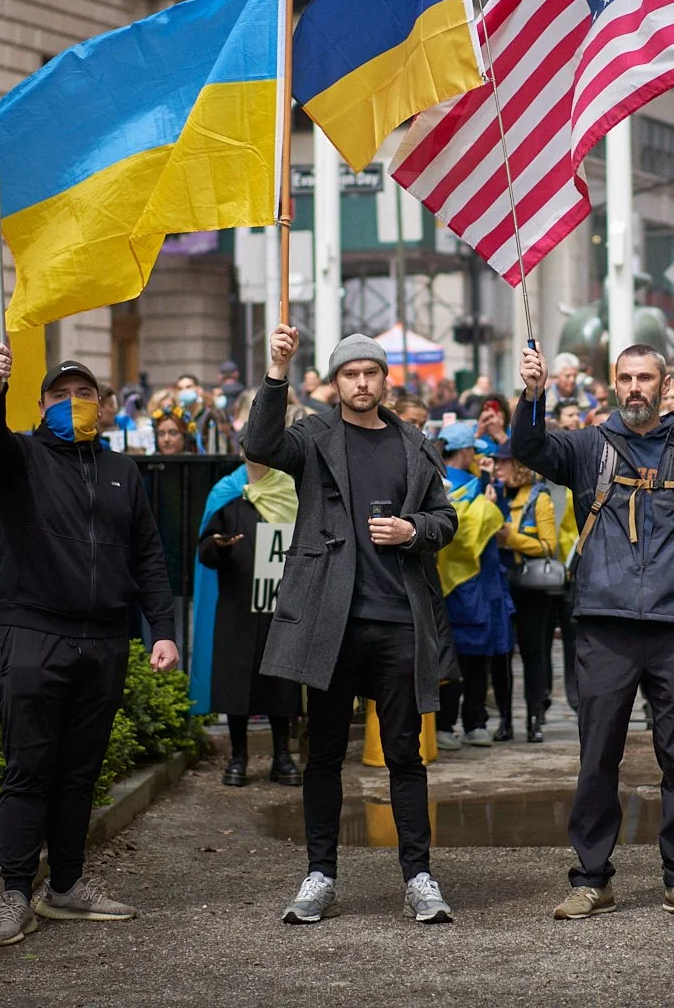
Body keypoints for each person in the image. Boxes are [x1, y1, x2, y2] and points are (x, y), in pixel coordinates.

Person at [245, 326, 460, 926]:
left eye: (370, 373)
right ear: (335, 382)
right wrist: (277, 372)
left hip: (399, 620)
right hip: (329, 620)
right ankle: (320, 875)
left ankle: (418, 876)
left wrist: (413, 530)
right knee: (323, 753)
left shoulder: (413, 441)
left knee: (405, 754)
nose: (361, 383)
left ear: (385, 380)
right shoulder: (313, 437)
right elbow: (258, 443)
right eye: (350, 374)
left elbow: (446, 519)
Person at [515, 342, 674, 921]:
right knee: (597, 759)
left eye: (645, 377)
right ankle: (592, 878)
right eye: (626, 378)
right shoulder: (588, 447)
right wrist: (533, 396)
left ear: (664, 386)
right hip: (605, 627)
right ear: (614, 385)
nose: (636, 387)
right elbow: (528, 448)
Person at [0, 347, 182, 948]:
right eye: (61, 396)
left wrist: (162, 628)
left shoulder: (122, 472)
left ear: (103, 405)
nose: (74, 404)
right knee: (28, 767)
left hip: (105, 639)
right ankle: (15, 894)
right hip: (33, 632)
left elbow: (148, 554)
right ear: (41, 406)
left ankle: (65, 885)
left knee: (79, 770)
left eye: (85, 394)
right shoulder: (23, 456)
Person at [197, 460, 305, 788]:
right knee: (235, 681)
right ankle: (238, 756)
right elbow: (205, 551)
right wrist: (218, 545)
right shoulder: (227, 494)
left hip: (280, 606)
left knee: (281, 681)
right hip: (237, 605)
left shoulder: (289, 491)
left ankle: (282, 756)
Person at [434, 421, 513, 747]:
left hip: (475, 583)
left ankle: (465, 722)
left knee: (471, 655)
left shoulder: (467, 482)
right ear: (465, 451)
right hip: (465, 582)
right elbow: (465, 533)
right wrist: (489, 507)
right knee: (467, 656)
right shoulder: (454, 485)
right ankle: (457, 723)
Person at [500, 455, 578, 741]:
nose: (496, 467)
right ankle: (505, 721)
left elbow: (548, 545)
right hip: (499, 584)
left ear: (518, 466)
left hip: (531, 587)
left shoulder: (539, 497)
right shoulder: (492, 493)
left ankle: (534, 719)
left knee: (534, 653)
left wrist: (511, 539)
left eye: (502, 462)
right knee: (501, 656)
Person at [548, 352, 594, 417]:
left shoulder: (589, 400)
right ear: (556, 376)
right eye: (567, 376)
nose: (572, 380)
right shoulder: (544, 400)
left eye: (575, 376)